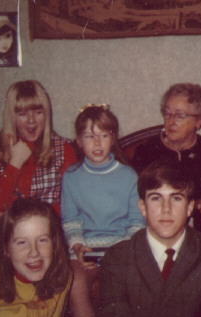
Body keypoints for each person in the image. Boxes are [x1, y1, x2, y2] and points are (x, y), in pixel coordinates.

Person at [98, 159, 201, 316]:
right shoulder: (117, 258)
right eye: (156, 198)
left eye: (176, 198)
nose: (166, 209)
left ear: (189, 208)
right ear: (143, 207)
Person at [0, 80, 77, 267]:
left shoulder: (64, 149)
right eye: (22, 114)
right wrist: (15, 163)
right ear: (12, 116)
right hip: (3, 228)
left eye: (38, 112)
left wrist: (26, 217)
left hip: (48, 226)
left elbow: (70, 205)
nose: (31, 121)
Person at [61, 104, 145, 317]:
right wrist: (78, 245)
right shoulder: (72, 176)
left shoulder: (128, 176)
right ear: (79, 141)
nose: (97, 143)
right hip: (85, 251)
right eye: (89, 136)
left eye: (104, 135)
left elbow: (137, 222)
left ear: (113, 138)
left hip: (120, 249)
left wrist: (121, 250)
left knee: (126, 287)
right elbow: (70, 218)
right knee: (75, 284)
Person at [131, 83, 201, 239]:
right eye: (167, 113)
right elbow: (135, 203)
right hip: (160, 232)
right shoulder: (146, 151)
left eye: (179, 116)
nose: (171, 121)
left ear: (198, 121)